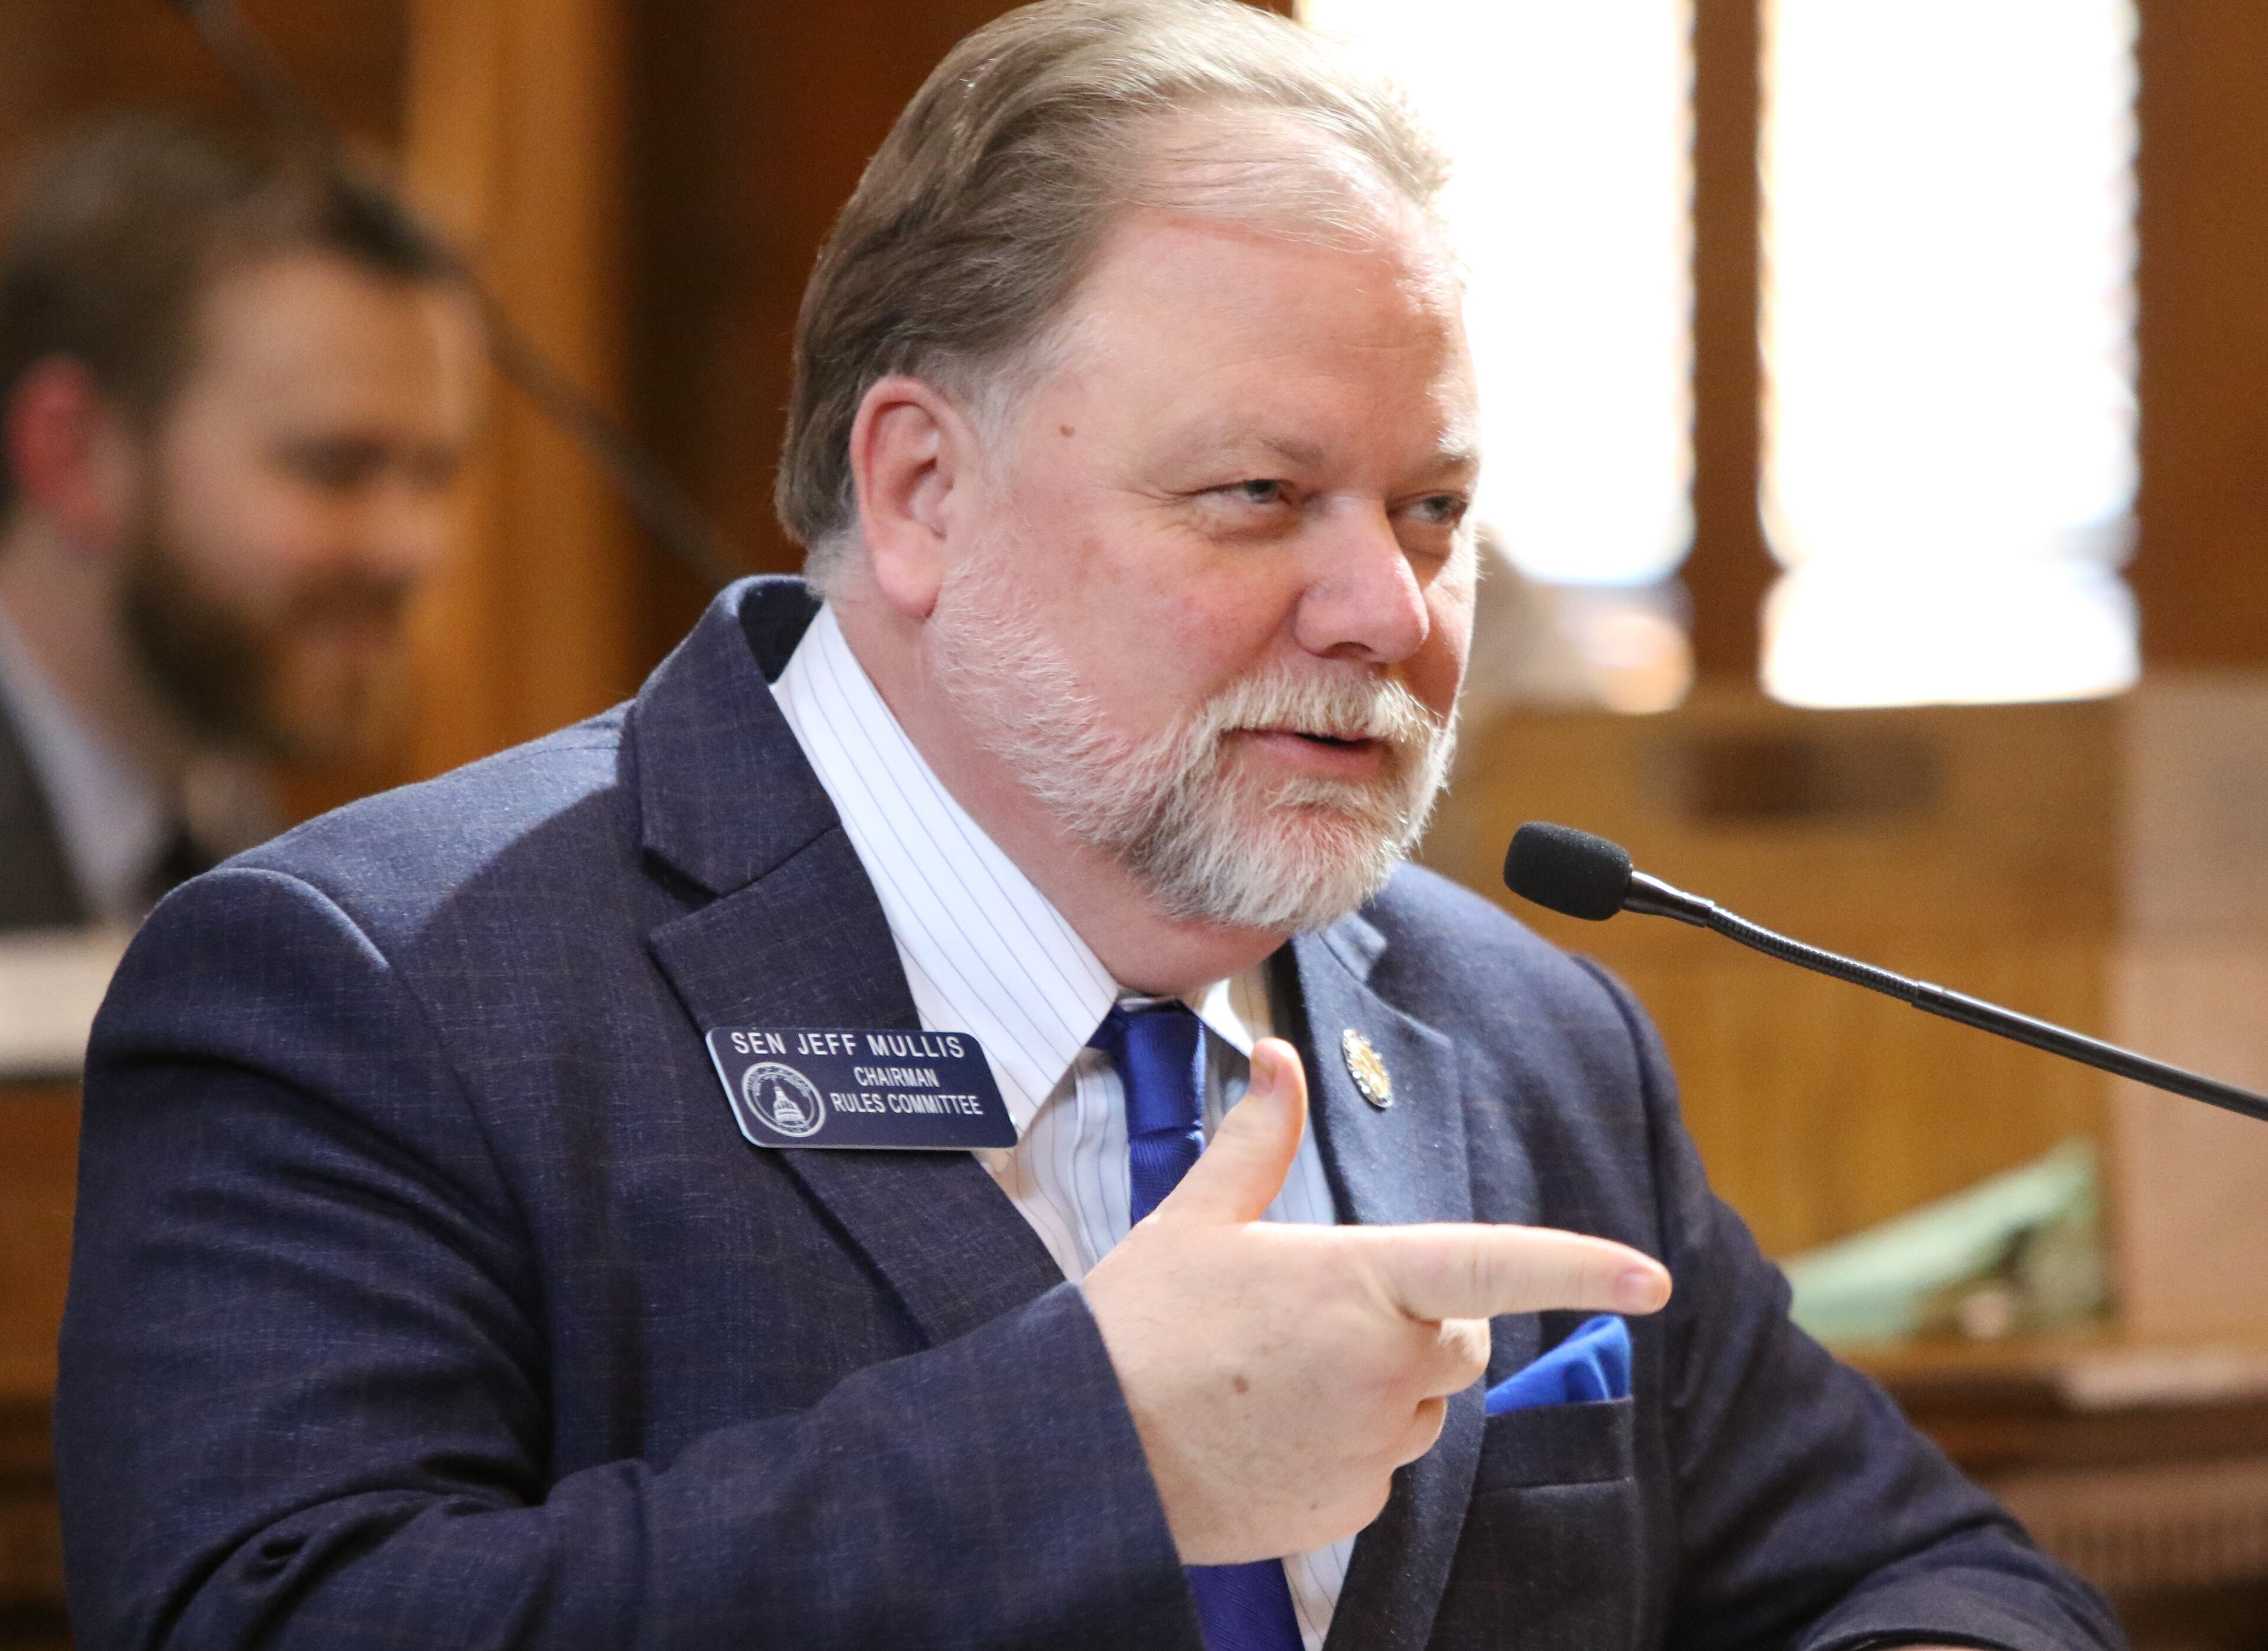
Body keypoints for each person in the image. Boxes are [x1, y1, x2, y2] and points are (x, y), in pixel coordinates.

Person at [56, 5, 2119, 1648]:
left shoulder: (1525, 1035)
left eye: (1434, 510)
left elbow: (1945, 1581)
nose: (1391, 613)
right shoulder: (378, 988)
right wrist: (1098, 1446)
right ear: (926, 489)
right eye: (1257, 496)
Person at [0, 116, 483, 932]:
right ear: (73, 455)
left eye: (435, 472)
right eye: (334, 467)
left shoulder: (233, 836)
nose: (415, 549)